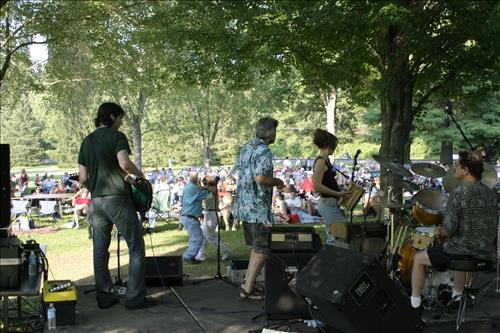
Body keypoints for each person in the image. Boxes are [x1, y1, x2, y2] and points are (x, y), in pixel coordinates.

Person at [78, 102, 157, 310]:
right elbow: (124, 164)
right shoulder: (117, 137)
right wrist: (140, 175)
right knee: (136, 247)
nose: (121, 123)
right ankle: (135, 298)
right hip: (118, 199)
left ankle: (104, 296)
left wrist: (94, 189)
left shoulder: (87, 141)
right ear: (112, 117)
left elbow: (83, 177)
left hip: (97, 202)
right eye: (120, 118)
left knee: (100, 249)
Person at [410, 151, 498, 312]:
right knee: (458, 249)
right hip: (486, 252)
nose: (454, 168)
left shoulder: (457, 195)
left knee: (418, 259)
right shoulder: (491, 194)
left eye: (457, 165)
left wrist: (438, 231)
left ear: (466, 170)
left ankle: (414, 304)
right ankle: (457, 296)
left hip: (464, 250)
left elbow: (448, 231)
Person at [232, 117, 284, 300]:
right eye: (275, 131)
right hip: (258, 211)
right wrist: (278, 182)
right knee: (261, 252)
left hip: (243, 207)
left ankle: (248, 284)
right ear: (270, 133)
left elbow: (235, 172)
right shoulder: (264, 151)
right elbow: (261, 178)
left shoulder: (246, 147)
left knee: (256, 249)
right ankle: (246, 289)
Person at [312, 129, 350, 246]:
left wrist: (340, 188)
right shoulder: (320, 162)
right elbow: (317, 186)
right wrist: (338, 194)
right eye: (334, 145)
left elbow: (328, 182)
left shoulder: (326, 161)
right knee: (338, 237)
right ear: (328, 145)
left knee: (338, 236)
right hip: (327, 203)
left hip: (331, 202)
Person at [195, 176, 231, 261]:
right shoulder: (210, 190)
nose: (204, 185)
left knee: (210, 236)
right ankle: (201, 255)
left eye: (205, 184)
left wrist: (198, 183)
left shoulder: (211, 190)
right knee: (203, 236)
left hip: (211, 215)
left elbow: (202, 189)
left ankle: (225, 251)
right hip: (209, 214)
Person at [180, 172, 210, 263]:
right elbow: (205, 194)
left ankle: (190, 256)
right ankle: (188, 256)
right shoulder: (194, 188)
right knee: (198, 238)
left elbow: (194, 201)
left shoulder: (187, 187)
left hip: (187, 216)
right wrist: (205, 187)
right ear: (197, 179)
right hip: (190, 218)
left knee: (193, 238)